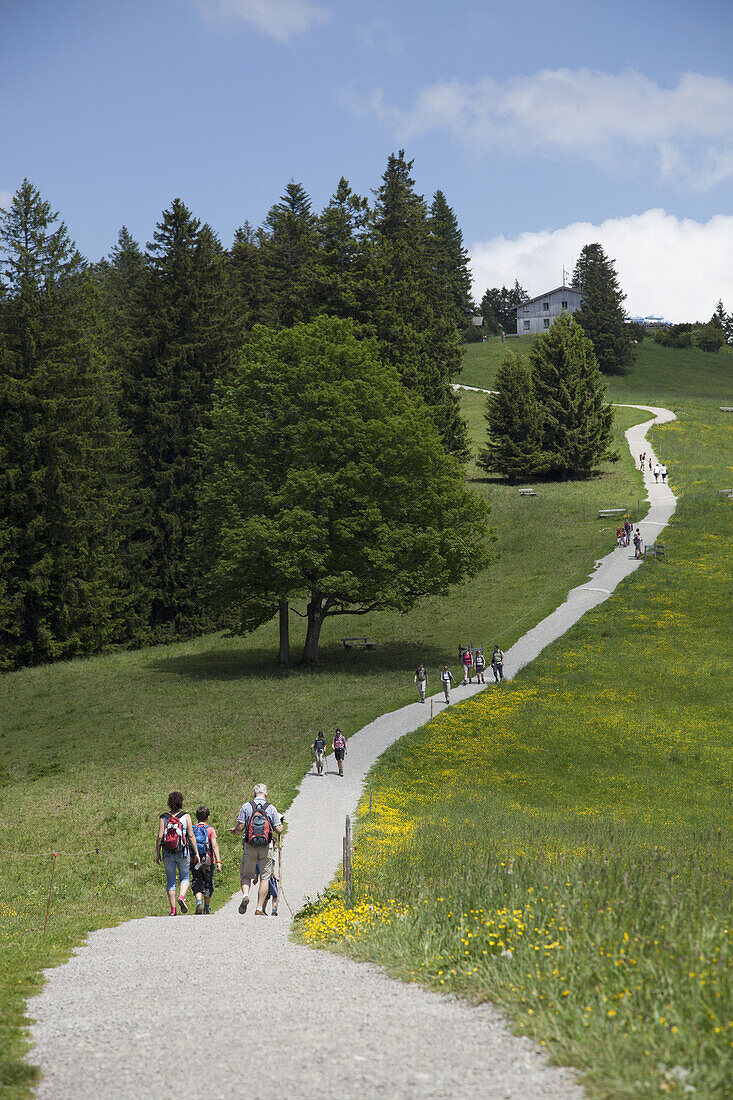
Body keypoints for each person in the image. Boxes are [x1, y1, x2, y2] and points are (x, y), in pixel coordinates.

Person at [230, 784, 283, 916]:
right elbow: (278, 829)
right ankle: (259, 908)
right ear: (266, 794)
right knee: (265, 877)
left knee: (246, 874)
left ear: (253, 794)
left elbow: (241, 826)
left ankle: (245, 895)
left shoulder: (246, 807)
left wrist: (235, 831)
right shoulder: (270, 808)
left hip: (250, 845)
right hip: (266, 847)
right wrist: (281, 824)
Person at [156, 791, 200, 916]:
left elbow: (160, 837)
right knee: (185, 877)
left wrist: (158, 853)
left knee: (171, 880)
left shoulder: (163, 817)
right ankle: (181, 896)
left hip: (167, 852)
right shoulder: (186, 816)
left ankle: (173, 910)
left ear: (169, 803)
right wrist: (196, 852)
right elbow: (191, 835)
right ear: (181, 802)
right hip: (183, 852)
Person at [191, 806, 221, 915]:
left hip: (195, 860)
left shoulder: (193, 829)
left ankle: (199, 902)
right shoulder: (210, 830)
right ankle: (207, 907)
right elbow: (214, 846)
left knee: (197, 880)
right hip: (208, 861)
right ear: (208, 817)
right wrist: (218, 862)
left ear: (196, 816)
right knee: (208, 883)